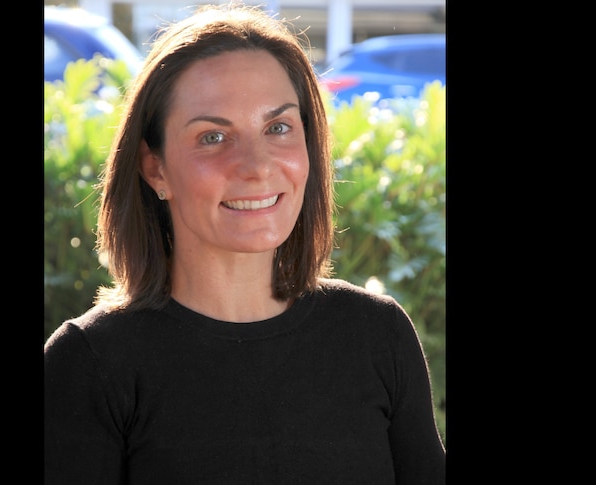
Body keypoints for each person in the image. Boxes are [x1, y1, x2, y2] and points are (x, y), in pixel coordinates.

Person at [44, 2, 446, 483]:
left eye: (278, 128)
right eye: (213, 137)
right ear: (156, 169)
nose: (256, 166)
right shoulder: (89, 364)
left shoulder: (378, 335)